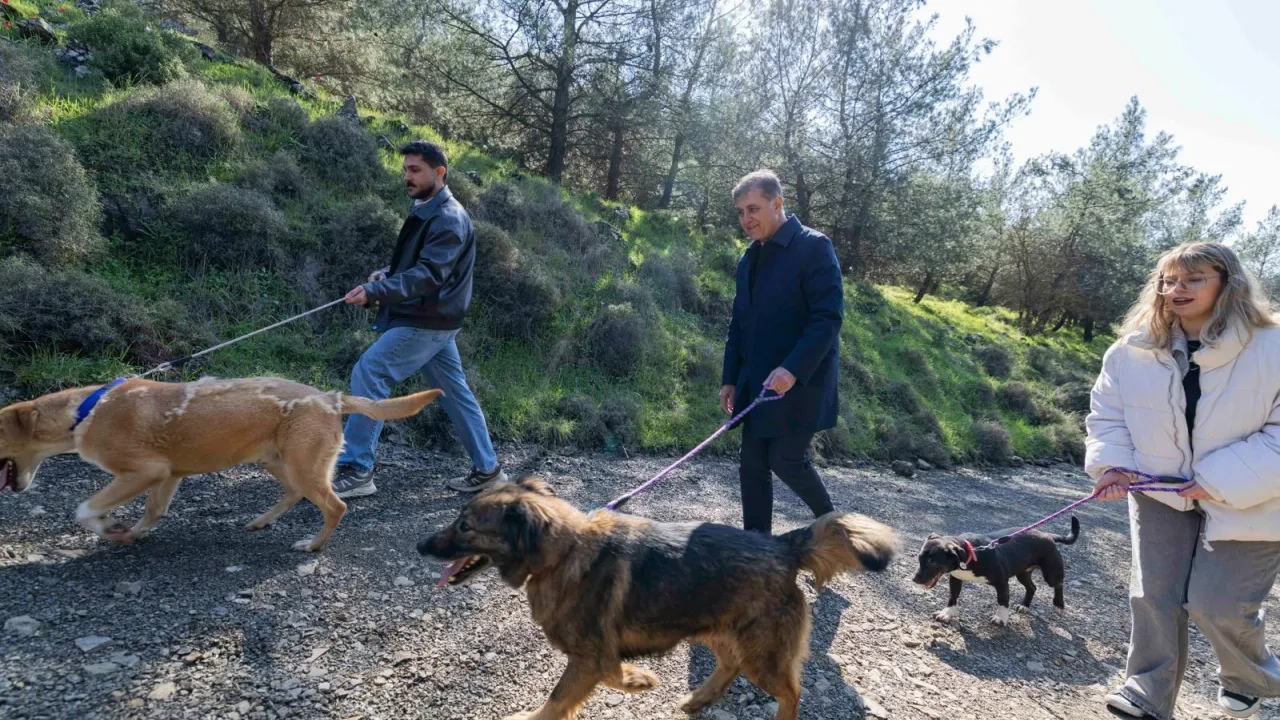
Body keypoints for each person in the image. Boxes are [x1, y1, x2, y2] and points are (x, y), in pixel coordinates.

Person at [1086, 242, 1280, 720]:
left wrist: (1219, 479)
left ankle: (1250, 678)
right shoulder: (1129, 350)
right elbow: (1108, 416)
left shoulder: (1273, 346)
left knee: (1219, 604)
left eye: (1194, 279)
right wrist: (1114, 466)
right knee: (1154, 597)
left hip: (1253, 497)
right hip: (1158, 492)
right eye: (1169, 280)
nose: (1177, 289)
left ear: (1228, 284)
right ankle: (1146, 693)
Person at [336, 140, 508, 498]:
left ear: (439, 172)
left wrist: (376, 292)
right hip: (437, 318)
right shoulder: (431, 210)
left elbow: (431, 275)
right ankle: (488, 469)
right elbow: (422, 265)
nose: (407, 177)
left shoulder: (448, 218)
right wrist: (387, 275)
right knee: (454, 392)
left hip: (427, 319)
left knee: (371, 370)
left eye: (415, 170)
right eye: (405, 170)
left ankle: (358, 469)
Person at [719, 170, 843, 535]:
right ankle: (756, 549)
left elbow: (827, 318)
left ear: (777, 203)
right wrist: (729, 378)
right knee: (752, 464)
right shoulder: (748, 259)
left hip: (803, 382)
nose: (746, 219)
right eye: (740, 212)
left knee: (785, 459)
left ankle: (839, 533)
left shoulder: (814, 247)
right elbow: (739, 324)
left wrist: (792, 369)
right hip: (757, 381)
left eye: (753, 209)